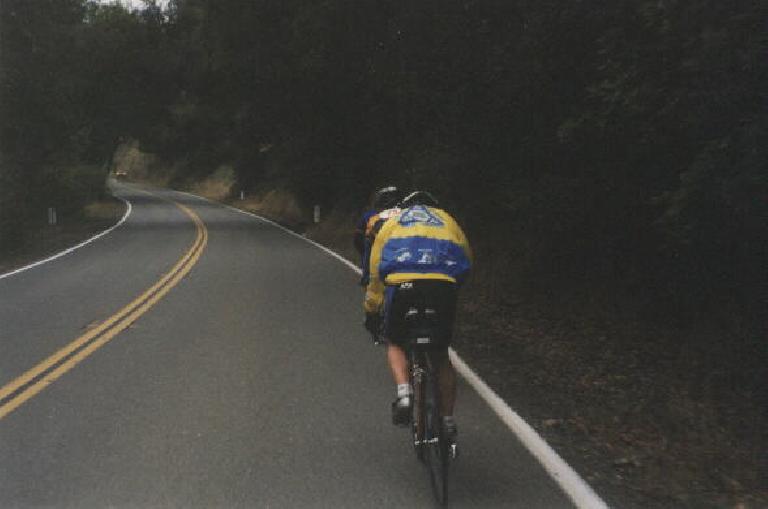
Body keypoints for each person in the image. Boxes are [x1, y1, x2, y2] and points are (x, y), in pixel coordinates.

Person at [363, 190, 472, 445]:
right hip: (441, 287)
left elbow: (376, 271)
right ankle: (446, 420)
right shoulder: (448, 220)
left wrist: (372, 309)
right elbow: (466, 259)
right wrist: (453, 287)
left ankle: (404, 393)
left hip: (402, 286)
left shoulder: (392, 223)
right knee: (440, 354)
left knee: (395, 340)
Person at [354, 186, 401, 287]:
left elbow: (357, 238)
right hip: (401, 254)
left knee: (368, 241)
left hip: (380, 254)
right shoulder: (407, 214)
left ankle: (366, 277)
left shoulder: (370, 216)